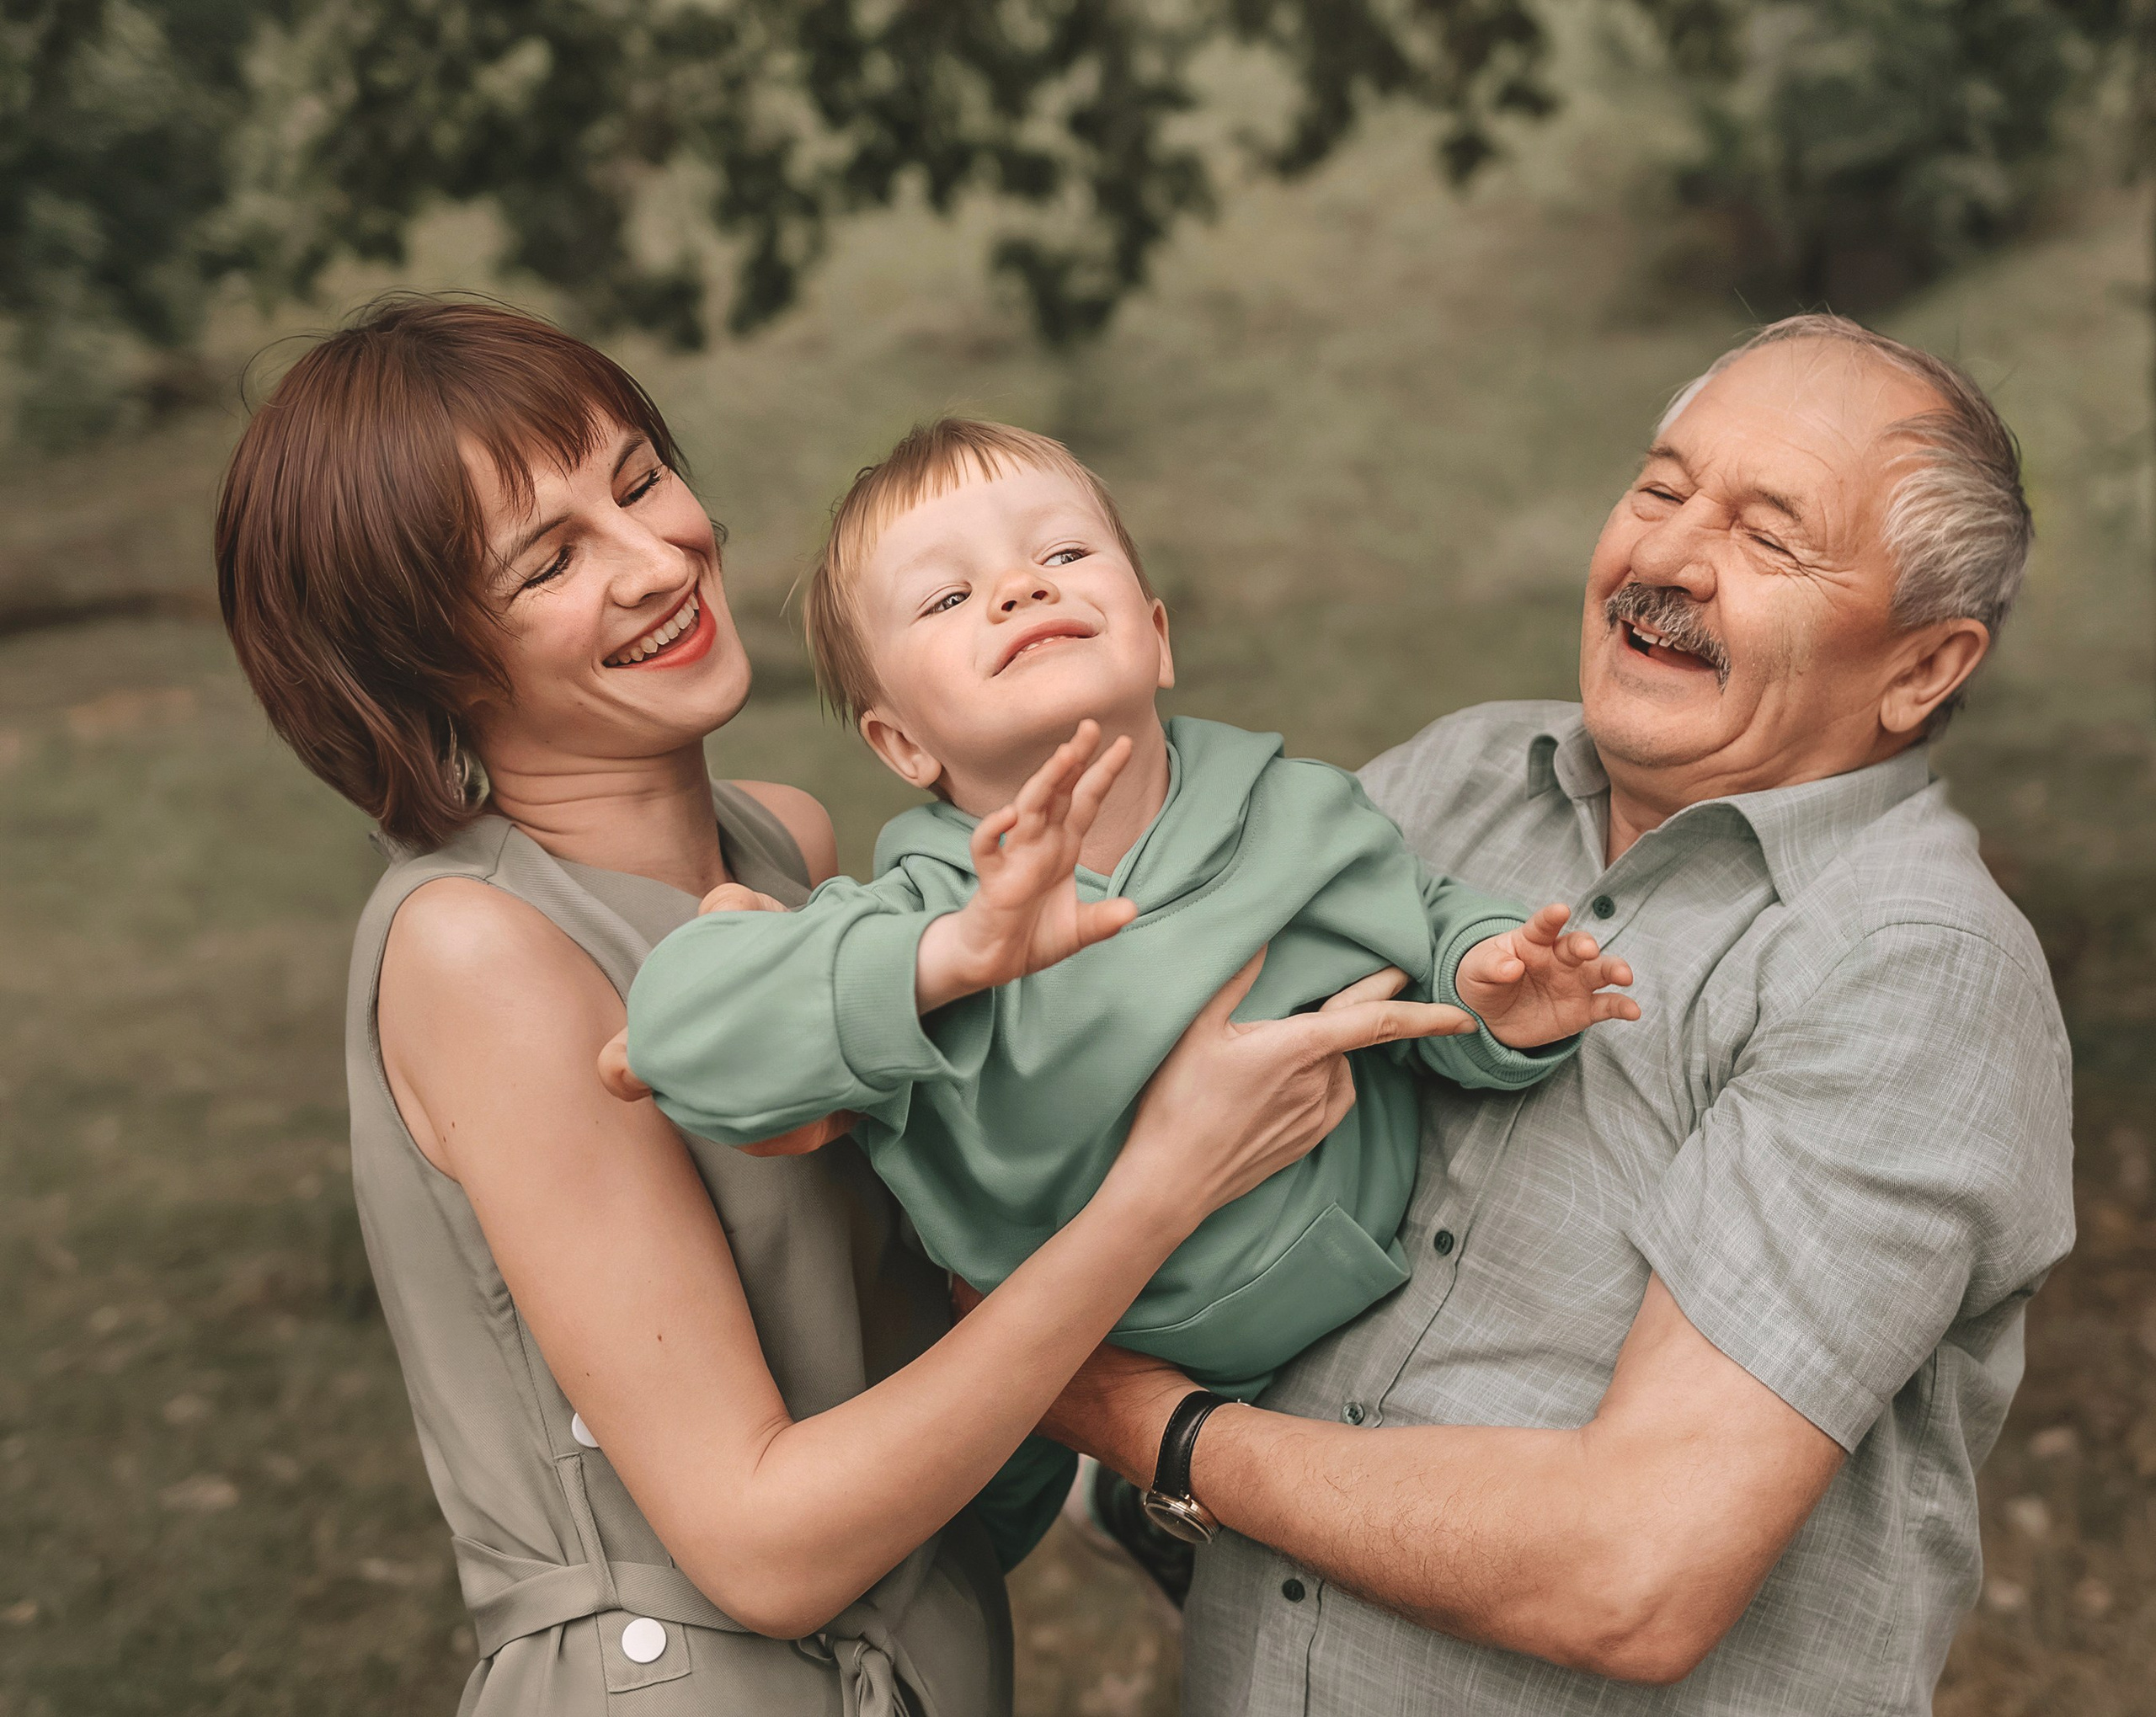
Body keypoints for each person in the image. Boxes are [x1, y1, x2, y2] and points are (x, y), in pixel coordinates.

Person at [212, 296, 1470, 1717]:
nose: (658, 559)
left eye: (641, 479)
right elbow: (762, 1544)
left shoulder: (790, 848)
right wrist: (1163, 1186)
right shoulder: (480, 949)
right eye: (550, 559)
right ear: (422, 662)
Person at [1038, 315, 2078, 1714]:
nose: (1667, 557)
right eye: (1660, 488)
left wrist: (1150, 1429)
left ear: (1922, 668)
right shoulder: (1459, 778)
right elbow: (1148, 1014)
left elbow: (1632, 1567)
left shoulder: (1910, 969)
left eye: (1770, 537)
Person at [603, 418, 1639, 1407]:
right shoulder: (913, 922)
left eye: (1062, 551)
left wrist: (1487, 987)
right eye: (947, 596)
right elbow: (676, 1039)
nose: (1021, 586)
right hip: (1062, 1374)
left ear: (1156, 636)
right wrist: (956, 954)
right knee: (984, 1519)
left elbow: (1420, 933)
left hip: (1360, 1312)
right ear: (902, 744)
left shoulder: (1299, 814)